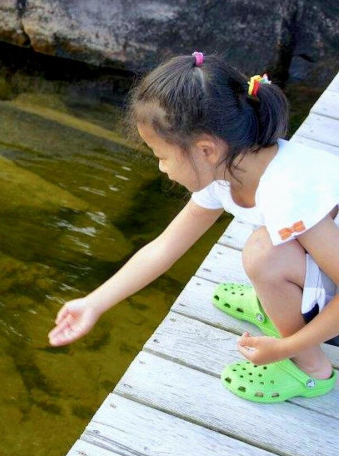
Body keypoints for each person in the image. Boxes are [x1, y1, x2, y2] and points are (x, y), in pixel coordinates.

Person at [48, 51, 339, 403]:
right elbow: (164, 248)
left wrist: (284, 347)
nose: (160, 167)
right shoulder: (230, 167)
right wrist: (94, 303)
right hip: (323, 264)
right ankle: (278, 300)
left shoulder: (288, 192)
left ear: (206, 149)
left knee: (264, 255)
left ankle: (311, 369)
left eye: (162, 155)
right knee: (265, 250)